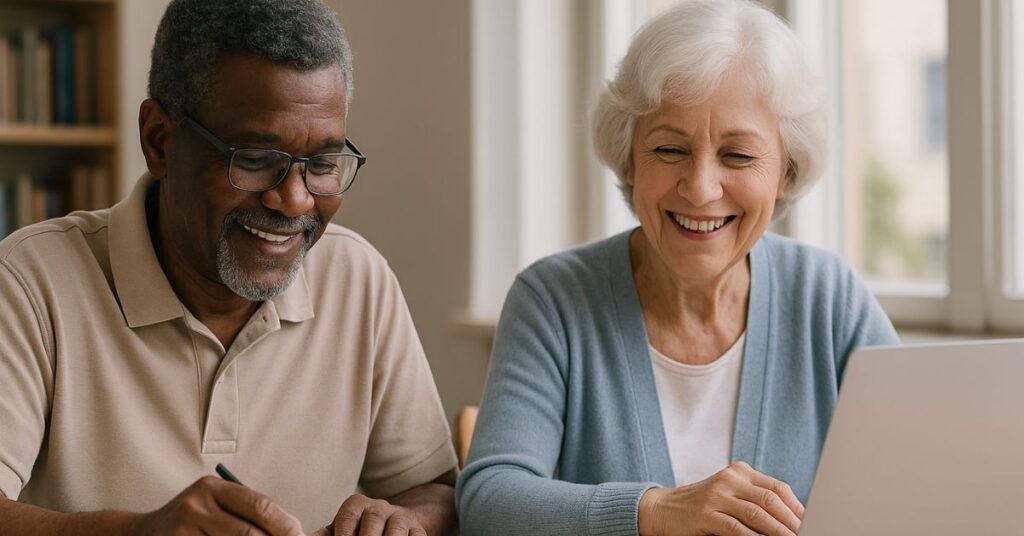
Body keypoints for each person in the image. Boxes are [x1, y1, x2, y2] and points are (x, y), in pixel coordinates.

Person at [0, 1, 458, 534]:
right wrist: (138, 532)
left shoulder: (360, 280)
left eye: (323, 164)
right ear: (159, 141)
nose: (295, 201)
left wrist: (399, 518)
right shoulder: (30, 283)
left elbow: (436, 490)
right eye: (256, 159)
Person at [456, 1, 899, 535]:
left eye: (737, 156)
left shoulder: (832, 301)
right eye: (669, 149)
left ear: (786, 171)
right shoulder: (554, 299)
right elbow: (489, 501)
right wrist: (656, 511)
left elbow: (919, 477)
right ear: (629, 158)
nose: (701, 188)